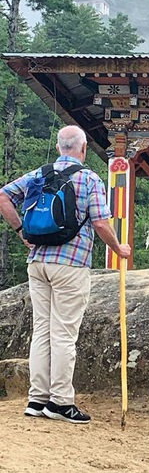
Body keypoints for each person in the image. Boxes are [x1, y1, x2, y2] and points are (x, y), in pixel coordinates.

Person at [0, 125, 131, 424]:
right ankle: (60, 401)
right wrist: (118, 249)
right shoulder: (88, 178)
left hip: (38, 262)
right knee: (64, 335)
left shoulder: (39, 174)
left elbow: (3, 196)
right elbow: (100, 223)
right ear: (83, 149)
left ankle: (37, 399)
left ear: (60, 147)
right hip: (70, 265)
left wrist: (21, 230)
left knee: (42, 331)